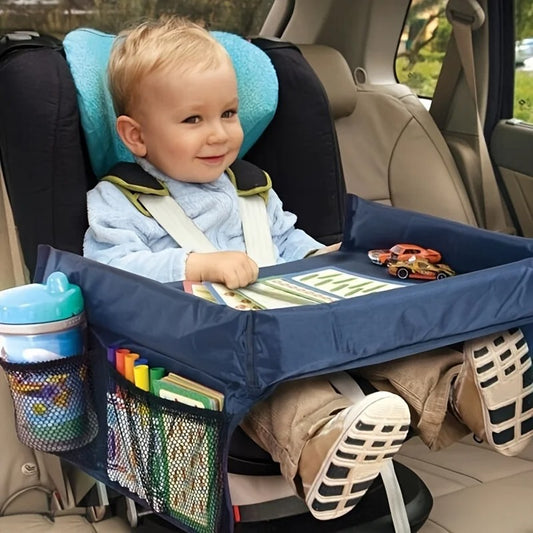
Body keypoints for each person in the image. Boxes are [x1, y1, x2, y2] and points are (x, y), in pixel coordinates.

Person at [84, 16, 533, 521]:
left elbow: (286, 239)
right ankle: (323, 445)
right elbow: (110, 269)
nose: (219, 134)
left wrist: (320, 258)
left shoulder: (250, 186)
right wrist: (197, 264)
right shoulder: (119, 201)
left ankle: (461, 394)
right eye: (193, 120)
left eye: (228, 113)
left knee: (381, 337)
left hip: (299, 321)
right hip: (211, 353)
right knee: (282, 391)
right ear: (135, 135)